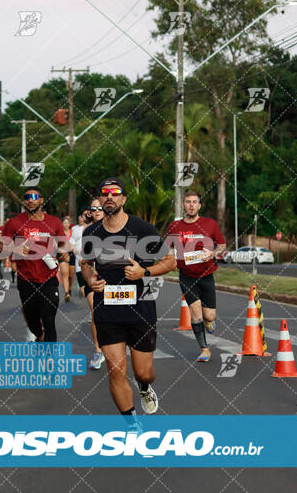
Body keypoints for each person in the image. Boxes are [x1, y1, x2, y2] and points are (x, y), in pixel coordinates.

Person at [81, 178, 176, 418]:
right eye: (105, 193)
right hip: (107, 309)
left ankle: (144, 387)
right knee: (115, 370)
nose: (109, 196)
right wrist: (90, 281)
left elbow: (170, 262)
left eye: (115, 193)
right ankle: (132, 424)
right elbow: (85, 264)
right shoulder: (91, 232)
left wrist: (143, 272)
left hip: (140, 308)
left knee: (143, 373)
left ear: (124, 199)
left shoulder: (143, 229)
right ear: (100, 200)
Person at [0, 187, 67, 342]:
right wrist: (14, 248)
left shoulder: (54, 222)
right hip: (26, 278)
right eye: (27, 197)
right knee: (33, 322)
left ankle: (50, 360)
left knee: (49, 319)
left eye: (34, 197)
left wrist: (64, 252)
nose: (30, 200)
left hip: (48, 277)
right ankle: (39, 336)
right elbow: (0, 248)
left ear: (41, 200)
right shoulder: (14, 223)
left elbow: (63, 245)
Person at [167, 190, 226, 362]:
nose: (191, 205)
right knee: (195, 313)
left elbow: (222, 245)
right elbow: (169, 248)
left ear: (199, 205)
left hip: (206, 274)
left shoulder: (210, 224)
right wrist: (170, 259)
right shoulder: (174, 227)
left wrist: (213, 253)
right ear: (183, 205)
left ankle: (209, 322)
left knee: (209, 316)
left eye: (195, 202)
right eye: (188, 202)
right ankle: (204, 349)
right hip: (186, 276)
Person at [82, 199, 105, 370]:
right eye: (94, 208)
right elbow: (86, 260)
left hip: (113, 280)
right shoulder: (88, 231)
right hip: (91, 276)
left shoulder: (117, 228)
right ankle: (98, 350)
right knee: (95, 311)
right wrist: (89, 276)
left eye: (100, 208)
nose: (97, 211)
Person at [70, 207, 93, 297]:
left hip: (94, 264)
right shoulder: (76, 229)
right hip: (80, 262)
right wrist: (76, 251)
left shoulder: (98, 226)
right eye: (85, 215)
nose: (88, 216)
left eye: (89, 213)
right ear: (82, 217)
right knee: (83, 287)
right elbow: (71, 242)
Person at [57, 216, 75, 302]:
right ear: (61, 224)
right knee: (65, 274)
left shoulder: (73, 232)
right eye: (64, 223)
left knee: (71, 276)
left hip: (72, 254)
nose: (66, 224)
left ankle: (70, 288)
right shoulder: (59, 233)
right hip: (62, 254)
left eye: (67, 223)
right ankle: (66, 292)